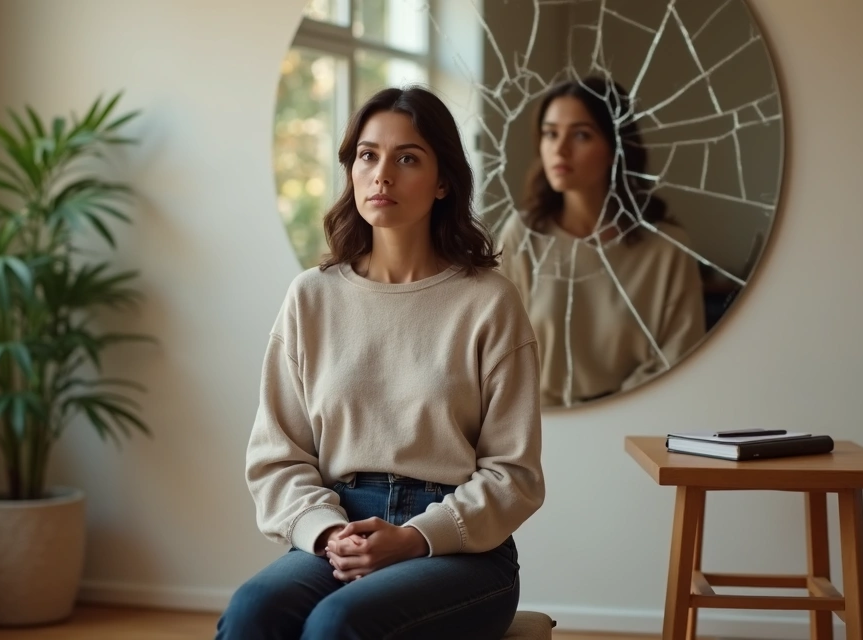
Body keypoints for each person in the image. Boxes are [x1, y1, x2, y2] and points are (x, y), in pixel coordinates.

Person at [216, 85, 545, 640]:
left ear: (443, 182)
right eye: (368, 155)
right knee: (253, 611)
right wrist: (325, 533)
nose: (382, 174)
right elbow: (278, 457)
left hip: (459, 545)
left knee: (339, 623)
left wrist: (415, 537)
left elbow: (514, 475)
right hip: (341, 526)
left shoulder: (488, 301)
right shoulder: (310, 298)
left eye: (407, 158)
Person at [497, 76, 706, 407]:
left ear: (615, 146)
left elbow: (680, 356)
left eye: (581, 135)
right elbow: (498, 348)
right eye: (551, 133)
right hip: (539, 425)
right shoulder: (523, 235)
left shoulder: (667, 248)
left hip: (639, 424)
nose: (560, 149)